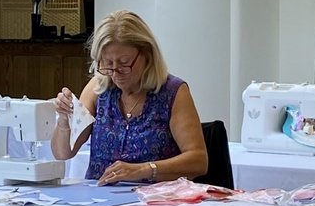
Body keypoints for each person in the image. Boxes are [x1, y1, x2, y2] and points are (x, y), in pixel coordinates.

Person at [51, 9, 208, 184]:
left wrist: (143, 170)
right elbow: (64, 153)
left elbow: (198, 161)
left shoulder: (173, 92)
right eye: (108, 63)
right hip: (100, 199)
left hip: (154, 201)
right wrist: (64, 121)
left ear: (147, 55)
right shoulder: (98, 89)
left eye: (124, 63)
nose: (116, 72)